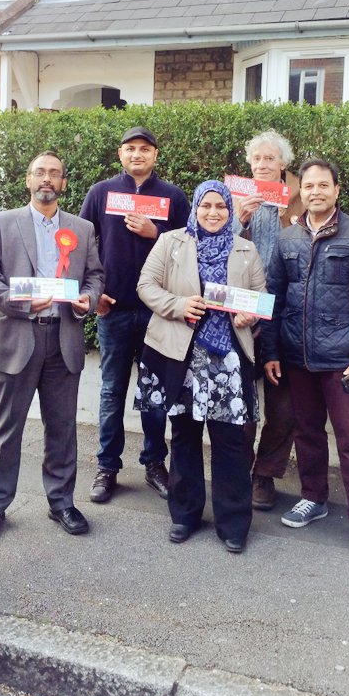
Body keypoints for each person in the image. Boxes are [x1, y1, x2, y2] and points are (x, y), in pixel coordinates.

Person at [0, 151, 104, 541]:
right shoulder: (1, 223)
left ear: (64, 183)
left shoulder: (83, 229)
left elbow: (95, 276)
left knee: (62, 428)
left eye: (55, 174)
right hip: (17, 336)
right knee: (6, 429)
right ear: (28, 180)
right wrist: (25, 304)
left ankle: (61, 502)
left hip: (63, 338)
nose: (47, 179)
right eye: (40, 173)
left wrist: (87, 300)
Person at [261, 158, 349, 556]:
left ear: (336, 190)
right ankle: (313, 498)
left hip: (343, 362)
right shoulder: (287, 239)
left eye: (323, 185)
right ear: (303, 192)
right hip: (297, 358)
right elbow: (274, 298)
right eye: (309, 186)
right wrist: (271, 350)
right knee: (307, 433)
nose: (315, 192)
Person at [136, 180, 266, 553]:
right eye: (205, 206)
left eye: (220, 207)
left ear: (230, 210)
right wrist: (179, 306)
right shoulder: (171, 241)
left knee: (230, 442)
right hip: (181, 355)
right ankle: (185, 514)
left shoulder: (246, 249)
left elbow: (260, 296)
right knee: (185, 437)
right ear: (195, 208)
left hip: (228, 358)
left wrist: (248, 315)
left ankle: (233, 522)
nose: (213, 212)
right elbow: (146, 285)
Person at [80, 127, 190, 504]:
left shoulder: (173, 196)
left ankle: (154, 463)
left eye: (145, 149)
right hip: (114, 309)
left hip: (159, 312)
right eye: (131, 148)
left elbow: (188, 250)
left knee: (155, 391)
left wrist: (154, 232)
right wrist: (94, 295)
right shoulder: (101, 193)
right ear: (120, 154)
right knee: (112, 390)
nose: (138, 154)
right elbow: (82, 245)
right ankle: (107, 466)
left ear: (155, 155)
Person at [234, 129, 303, 511]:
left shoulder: (299, 195)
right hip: (243, 308)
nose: (262, 164)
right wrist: (239, 219)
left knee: (284, 404)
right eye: (257, 159)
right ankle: (239, 467)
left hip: (287, 310)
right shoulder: (232, 194)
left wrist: (285, 222)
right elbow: (212, 244)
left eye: (270, 159)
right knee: (243, 395)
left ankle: (266, 473)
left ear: (283, 164)